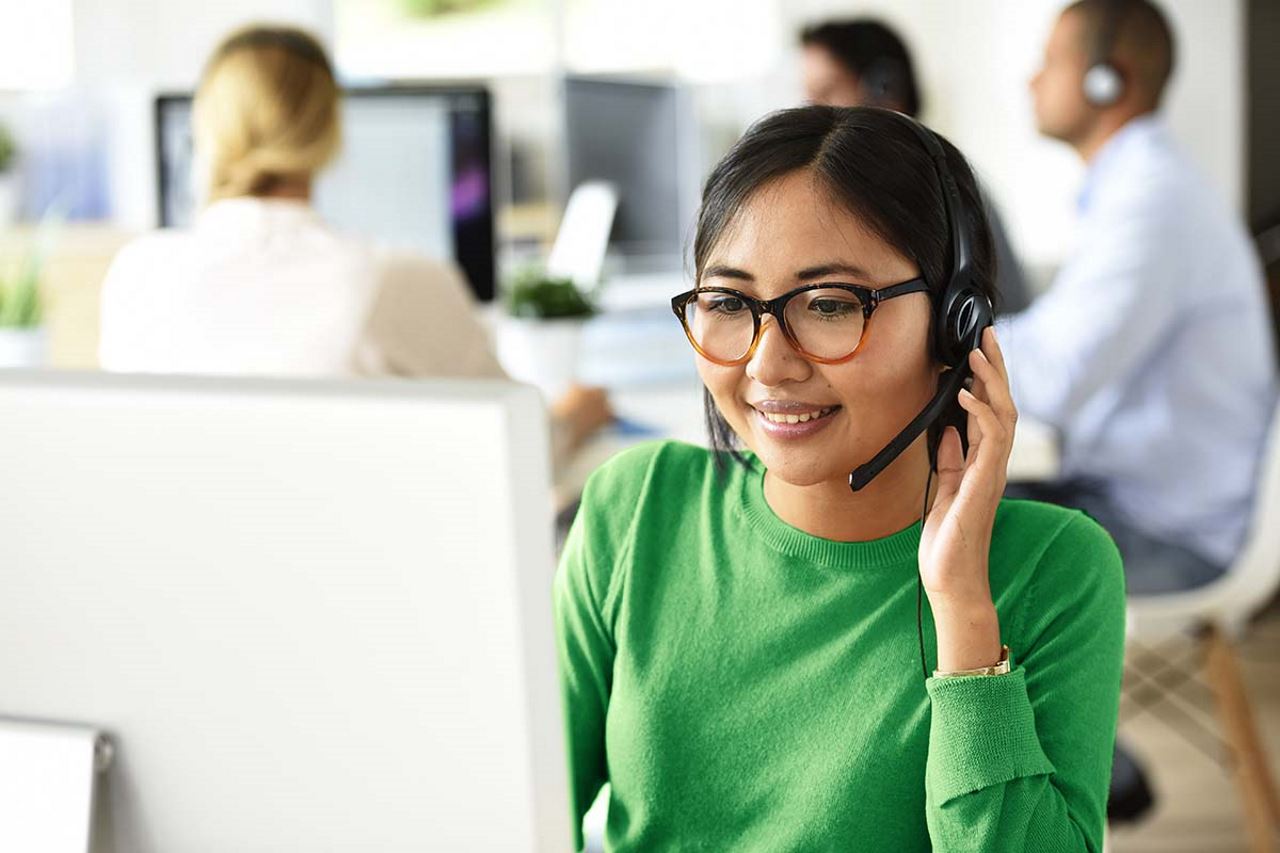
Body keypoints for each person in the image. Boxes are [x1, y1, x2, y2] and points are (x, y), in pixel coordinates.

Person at [555, 106, 1124, 851]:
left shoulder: (1055, 569)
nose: (766, 363)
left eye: (828, 305)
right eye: (728, 302)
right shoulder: (634, 506)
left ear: (957, 323)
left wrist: (963, 616)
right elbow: (517, 799)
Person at [98, 25, 610, 456]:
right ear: (329, 132)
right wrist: (575, 416)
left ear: (203, 131)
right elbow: (520, 447)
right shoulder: (392, 281)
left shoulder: (135, 276)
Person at [1003, 0, 1277, 594]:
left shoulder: (1152, 201)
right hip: (1128, 502)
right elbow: (1052, 344)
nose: (1032, 79)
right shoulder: (1134, 188)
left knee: (923, 533)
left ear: (1108, 80)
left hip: (1170, 535)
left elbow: (1052, 380)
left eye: (1051, 61)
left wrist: (925, 344)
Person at [799, 18, 1035, 315]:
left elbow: (1007, 318)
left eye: (827, 90)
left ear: (883, 89)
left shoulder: (945, 190)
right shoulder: (826, 191)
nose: (812, 112)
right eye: (808, 97)